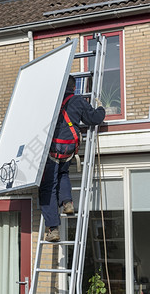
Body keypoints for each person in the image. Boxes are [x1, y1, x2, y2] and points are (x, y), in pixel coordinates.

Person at [39, 75, 105, 242]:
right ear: (74, 88)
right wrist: (101, 108)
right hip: (69, 148)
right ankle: (67, 203)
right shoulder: (78, 100)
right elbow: (94, 119)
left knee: (48, 188)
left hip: (53, 150)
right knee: (63, 174)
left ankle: (53, 229)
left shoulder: (50, 101)